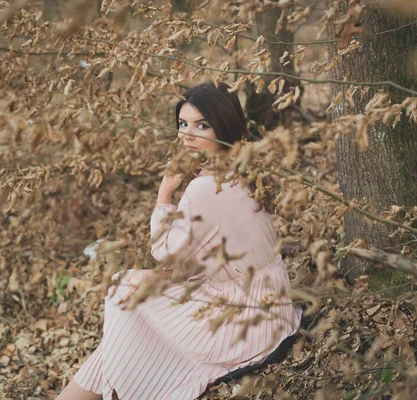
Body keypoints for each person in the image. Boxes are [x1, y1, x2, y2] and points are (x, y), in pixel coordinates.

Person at [56, 82, 301, 400]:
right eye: (183, 124)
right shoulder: (242, 169)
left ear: (223, 127)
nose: (187, 134)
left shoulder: (204, 188)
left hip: (245, 320)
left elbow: (165, 253)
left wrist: (164, 192)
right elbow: (198, 256)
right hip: (269, 308)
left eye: (202, 125)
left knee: (123, 289)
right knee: (125, 328)